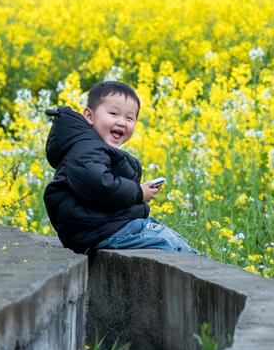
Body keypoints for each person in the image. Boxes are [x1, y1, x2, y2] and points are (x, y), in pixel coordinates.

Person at [43, 80, 199, 255]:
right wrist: (138, 193)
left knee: (168, 237)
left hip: (102, 226)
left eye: (129, 118)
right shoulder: (85, 149)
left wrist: (137, 191)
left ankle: (195, 261)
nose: (122, 122)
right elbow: (100, 186)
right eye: (113, 114)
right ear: (89, 116)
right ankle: (196, 266)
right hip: (95, 231)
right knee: (166, 243)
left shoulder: (91, 147)